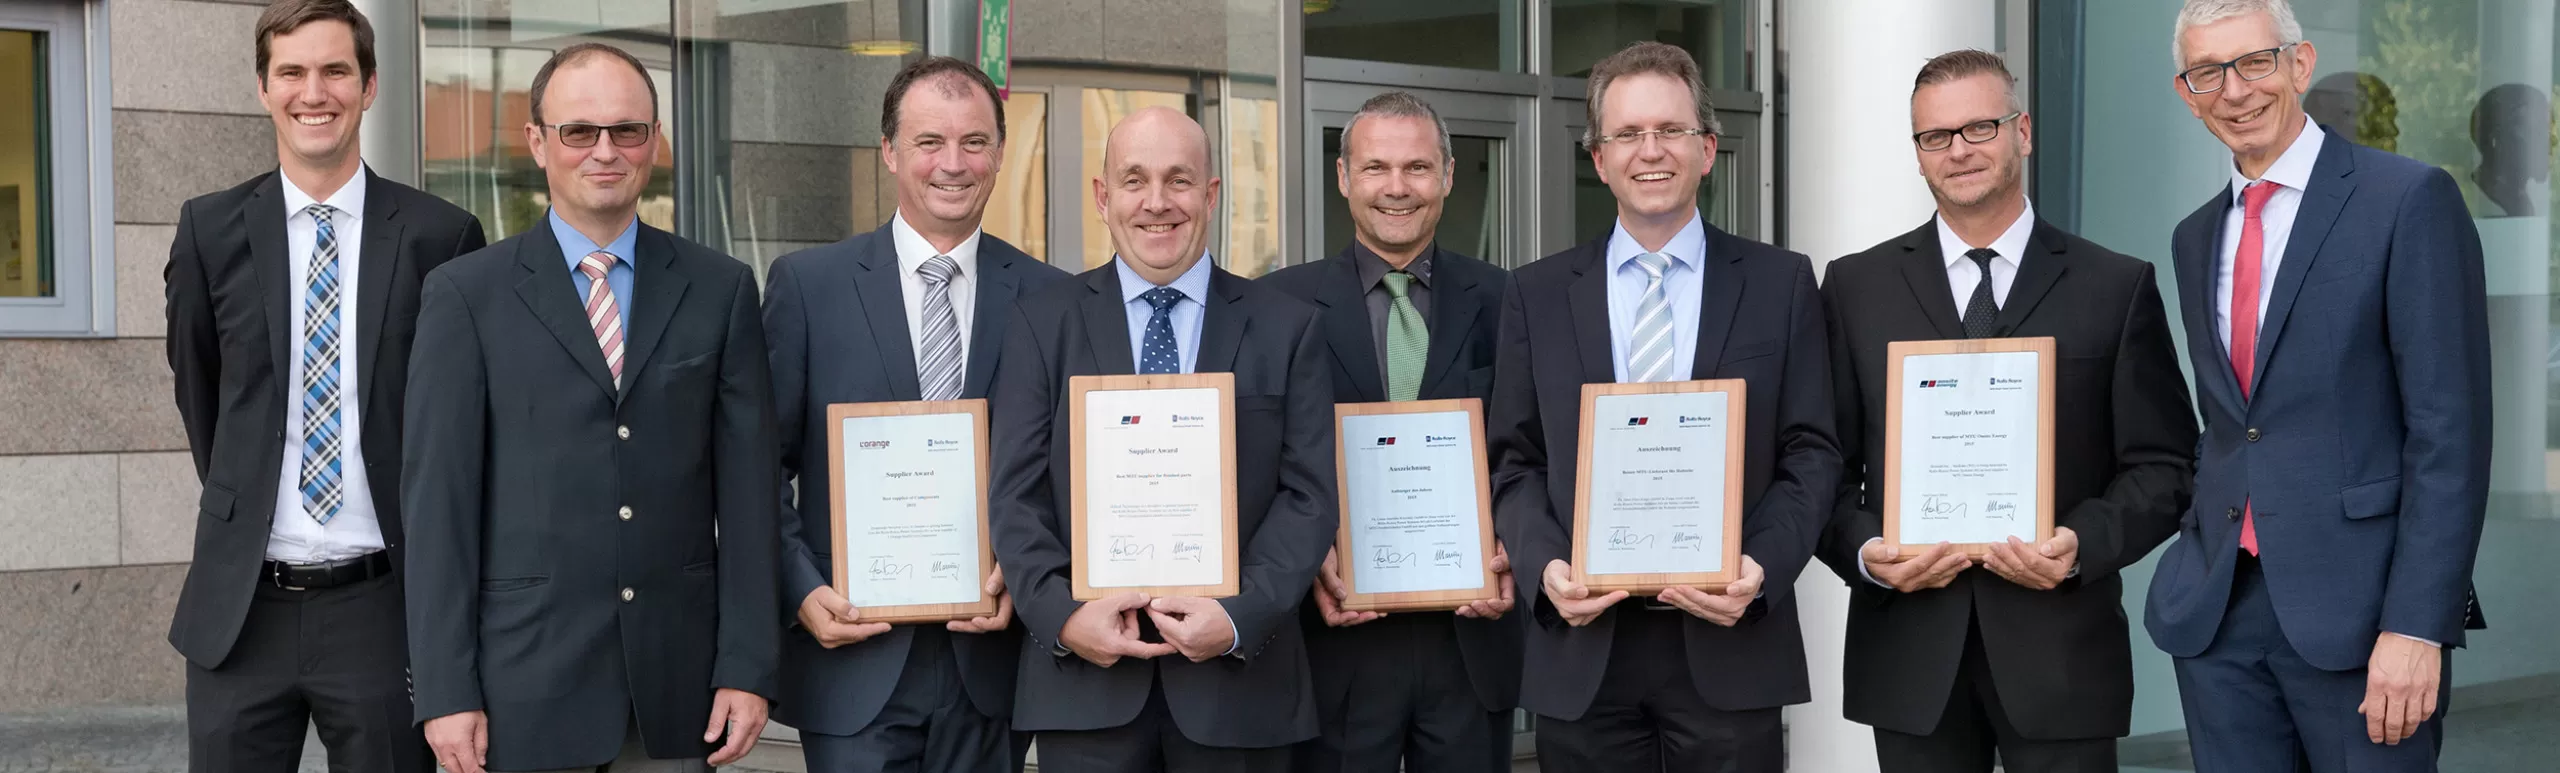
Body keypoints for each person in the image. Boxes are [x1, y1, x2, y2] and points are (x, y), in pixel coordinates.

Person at [401, 42, 780, 773]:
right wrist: (445, 688)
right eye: (580, 131)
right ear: (539, 142)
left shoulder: (721, 289)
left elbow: (751, 497)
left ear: (654, 141)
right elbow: (438, 508)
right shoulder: (464, 295)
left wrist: (748, 663)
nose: (605, 150)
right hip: (521, 690)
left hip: (677, 689)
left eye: (627, 130)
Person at [1815, 49, 2197, 773]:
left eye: (1979, 127)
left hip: (2062, 657)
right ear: (1920, 155)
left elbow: (2165, 466)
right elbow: (1820, 465)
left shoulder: (2114, 286)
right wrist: (1868, 554)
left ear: (2023, 131)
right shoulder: (1855, 288)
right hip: (1908, 658)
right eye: (1937, 137)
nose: (1959, 150)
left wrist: (2079, 543)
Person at [2148, 2, 2492, 770]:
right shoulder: (2194, 236)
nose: (2235, 90)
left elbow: (2449, 437)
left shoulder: (2407, 201)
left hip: (2366, 620)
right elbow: (2230, 421)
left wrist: (2417, 624)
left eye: (2255, 62)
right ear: (2187, 92)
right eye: (2210, 72)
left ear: (2299, 65)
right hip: (2218, 616)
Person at [1485, 41, 1840, 772]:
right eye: (1628, 134)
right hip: (1585, 647)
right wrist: (1546, 566)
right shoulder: (1537, 294)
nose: (1651, 151)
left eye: (1671, 130)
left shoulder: (1782, 283)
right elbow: (1515, 459)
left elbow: (1812, 449)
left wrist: (1760, 566)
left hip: (1729, 641)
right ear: (1598, 157)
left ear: (1707, 149)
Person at [162, 1, 488, 769]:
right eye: (293, 72)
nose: (316, 91)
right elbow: (201, 395)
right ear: (264, 88)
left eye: (336, 70)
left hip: (382, 606)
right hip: (242, 609)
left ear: (370, 86)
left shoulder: (443, 236)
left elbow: (458, 421)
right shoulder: (209, 231)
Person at [987, 106, 1337, 773]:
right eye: (1134, 180)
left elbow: (1309, 497)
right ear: (1102, 195)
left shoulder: (1288, 327)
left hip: (1241, 690)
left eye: (1178, 181)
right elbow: (1014, 493)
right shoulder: (1040, 323)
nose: (1156, 203)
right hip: (1085, 690)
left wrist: (1238, 615)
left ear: (1209, 194)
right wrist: (1063, 616)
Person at [762, 55, 1069, 773]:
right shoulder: (808, 287)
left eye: (974, 142)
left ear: (999, 153)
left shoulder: (1052, 298)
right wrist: (800, 587)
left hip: (992, 661)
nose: (952, 164)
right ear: (891, 153)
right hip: (851, 658)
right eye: (930, 142)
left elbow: (1068, 472)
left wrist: (1028, 581)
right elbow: (756, 465)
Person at [1258, 90, 1521, 773]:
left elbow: (1531, 448)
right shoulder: (1279, 306)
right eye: (1376, 168)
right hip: (1334, 638)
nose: (1397, 188)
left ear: (1449, 176)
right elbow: (1256, 464)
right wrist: (1305, 555)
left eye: (1417, 168)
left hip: (1471, 638)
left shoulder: (1510, 301)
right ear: (1344, 177)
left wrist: (1514, 548)